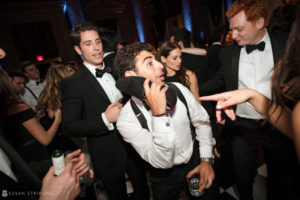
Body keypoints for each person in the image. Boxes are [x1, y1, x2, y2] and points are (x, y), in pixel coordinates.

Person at [198, 1, 298, 199]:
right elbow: (218, 81)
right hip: (242, 126)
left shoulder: (287, 42)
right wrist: (191, 91)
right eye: (231, 29)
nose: (233, 35)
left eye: (239, 29)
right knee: (242, 175)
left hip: (277, 123)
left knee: (279, 175)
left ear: (260, 23)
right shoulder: (227, 53)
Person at [114, 42, 219, 200]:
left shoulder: (179, 89)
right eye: (150, 63)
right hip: (164, 177)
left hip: (196, 160)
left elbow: (202, 122)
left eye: (157, 60)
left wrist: (206, 159)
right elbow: (161, 161)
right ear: (131, 76)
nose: (160, 65)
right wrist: (159, 115)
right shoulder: (126, 120)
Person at [60, 22, 149, 200]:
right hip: (107, 153)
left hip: (134, 145)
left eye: (98, 41)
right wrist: (104, 118)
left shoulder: (115, 70)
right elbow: (69, 127)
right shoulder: (73, 83)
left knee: (143, 191)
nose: (96, 47)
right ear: (78, 49)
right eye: (88, 44)